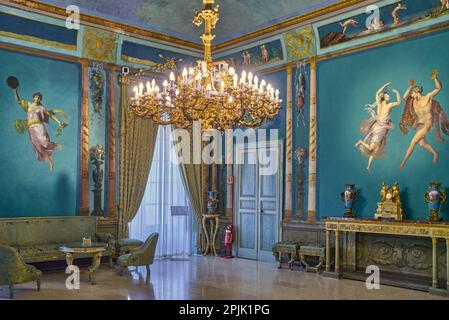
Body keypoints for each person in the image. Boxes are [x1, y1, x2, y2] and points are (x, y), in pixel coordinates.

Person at [13, 88, 67, 172]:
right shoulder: (28, 105)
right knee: (38, 147)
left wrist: (59, 122)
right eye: (36, 97)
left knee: (44, 143)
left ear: (40, 99)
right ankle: (50, 162)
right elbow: (18, 100)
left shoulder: (41, 108)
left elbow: (51, 116)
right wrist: (15, 90)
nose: (37, 99)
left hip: (39, 127)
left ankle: (55, 145)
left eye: (39, 98)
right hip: (31, 129)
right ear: (33, 97)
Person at [399, 72, 443, 169]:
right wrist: (410, 86)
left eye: (412, 92)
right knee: (422, 144)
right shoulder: (413, 100)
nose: (411, 94)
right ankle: (435, 153)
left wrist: (435, 78)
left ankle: (403, 163)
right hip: (419, 124)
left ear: (416, 92)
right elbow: (404, 97)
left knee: (413, 142)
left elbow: (439, 88)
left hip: (427, 123)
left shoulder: (428, 97)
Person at [355, 82, 401, 173]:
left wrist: (397, 92)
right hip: (379, 127)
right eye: (388, 96)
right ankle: (360, 142)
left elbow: (399, 102)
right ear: (384, 97)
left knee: (376, 149)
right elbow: (377, 93)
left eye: (389, 96)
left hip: (383, 127)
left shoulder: (389, 105)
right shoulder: (380, 104)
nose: (389, 97)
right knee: (372, 148)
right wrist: (385, 85)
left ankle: (368, 166)